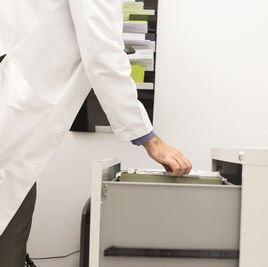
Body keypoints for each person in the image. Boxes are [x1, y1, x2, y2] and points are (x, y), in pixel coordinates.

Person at [0, 0, 192, 265]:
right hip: (11, 110)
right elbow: (103, 54)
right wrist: (150, 140)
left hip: (14, 107)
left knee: (16, 202)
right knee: (13, 210)